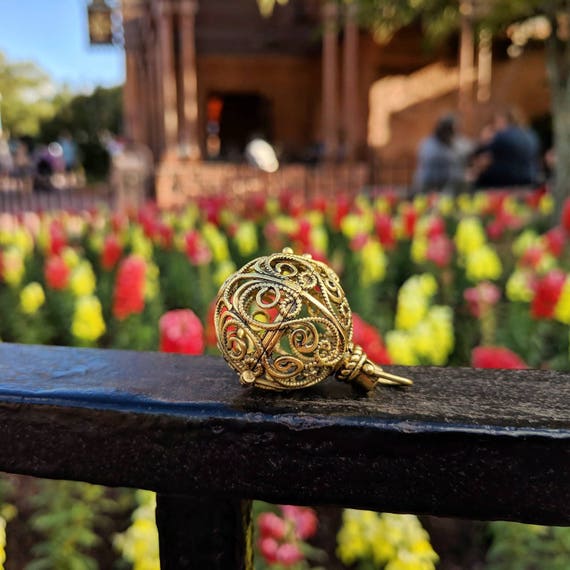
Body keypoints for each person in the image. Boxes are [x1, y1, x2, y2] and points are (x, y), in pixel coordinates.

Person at [473, 108, 541, 189]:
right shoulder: (531, 134)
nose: (494, 126)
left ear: (503, 120)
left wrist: (483, 140)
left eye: (495, 122)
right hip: (530, 178)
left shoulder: (502, 136)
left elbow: (482, 158)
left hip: (505, 181)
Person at [413, 114, 468, 193]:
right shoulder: (430, 144)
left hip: (447, 186)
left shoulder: (453, 143)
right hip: (429, 185)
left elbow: (465, 148)